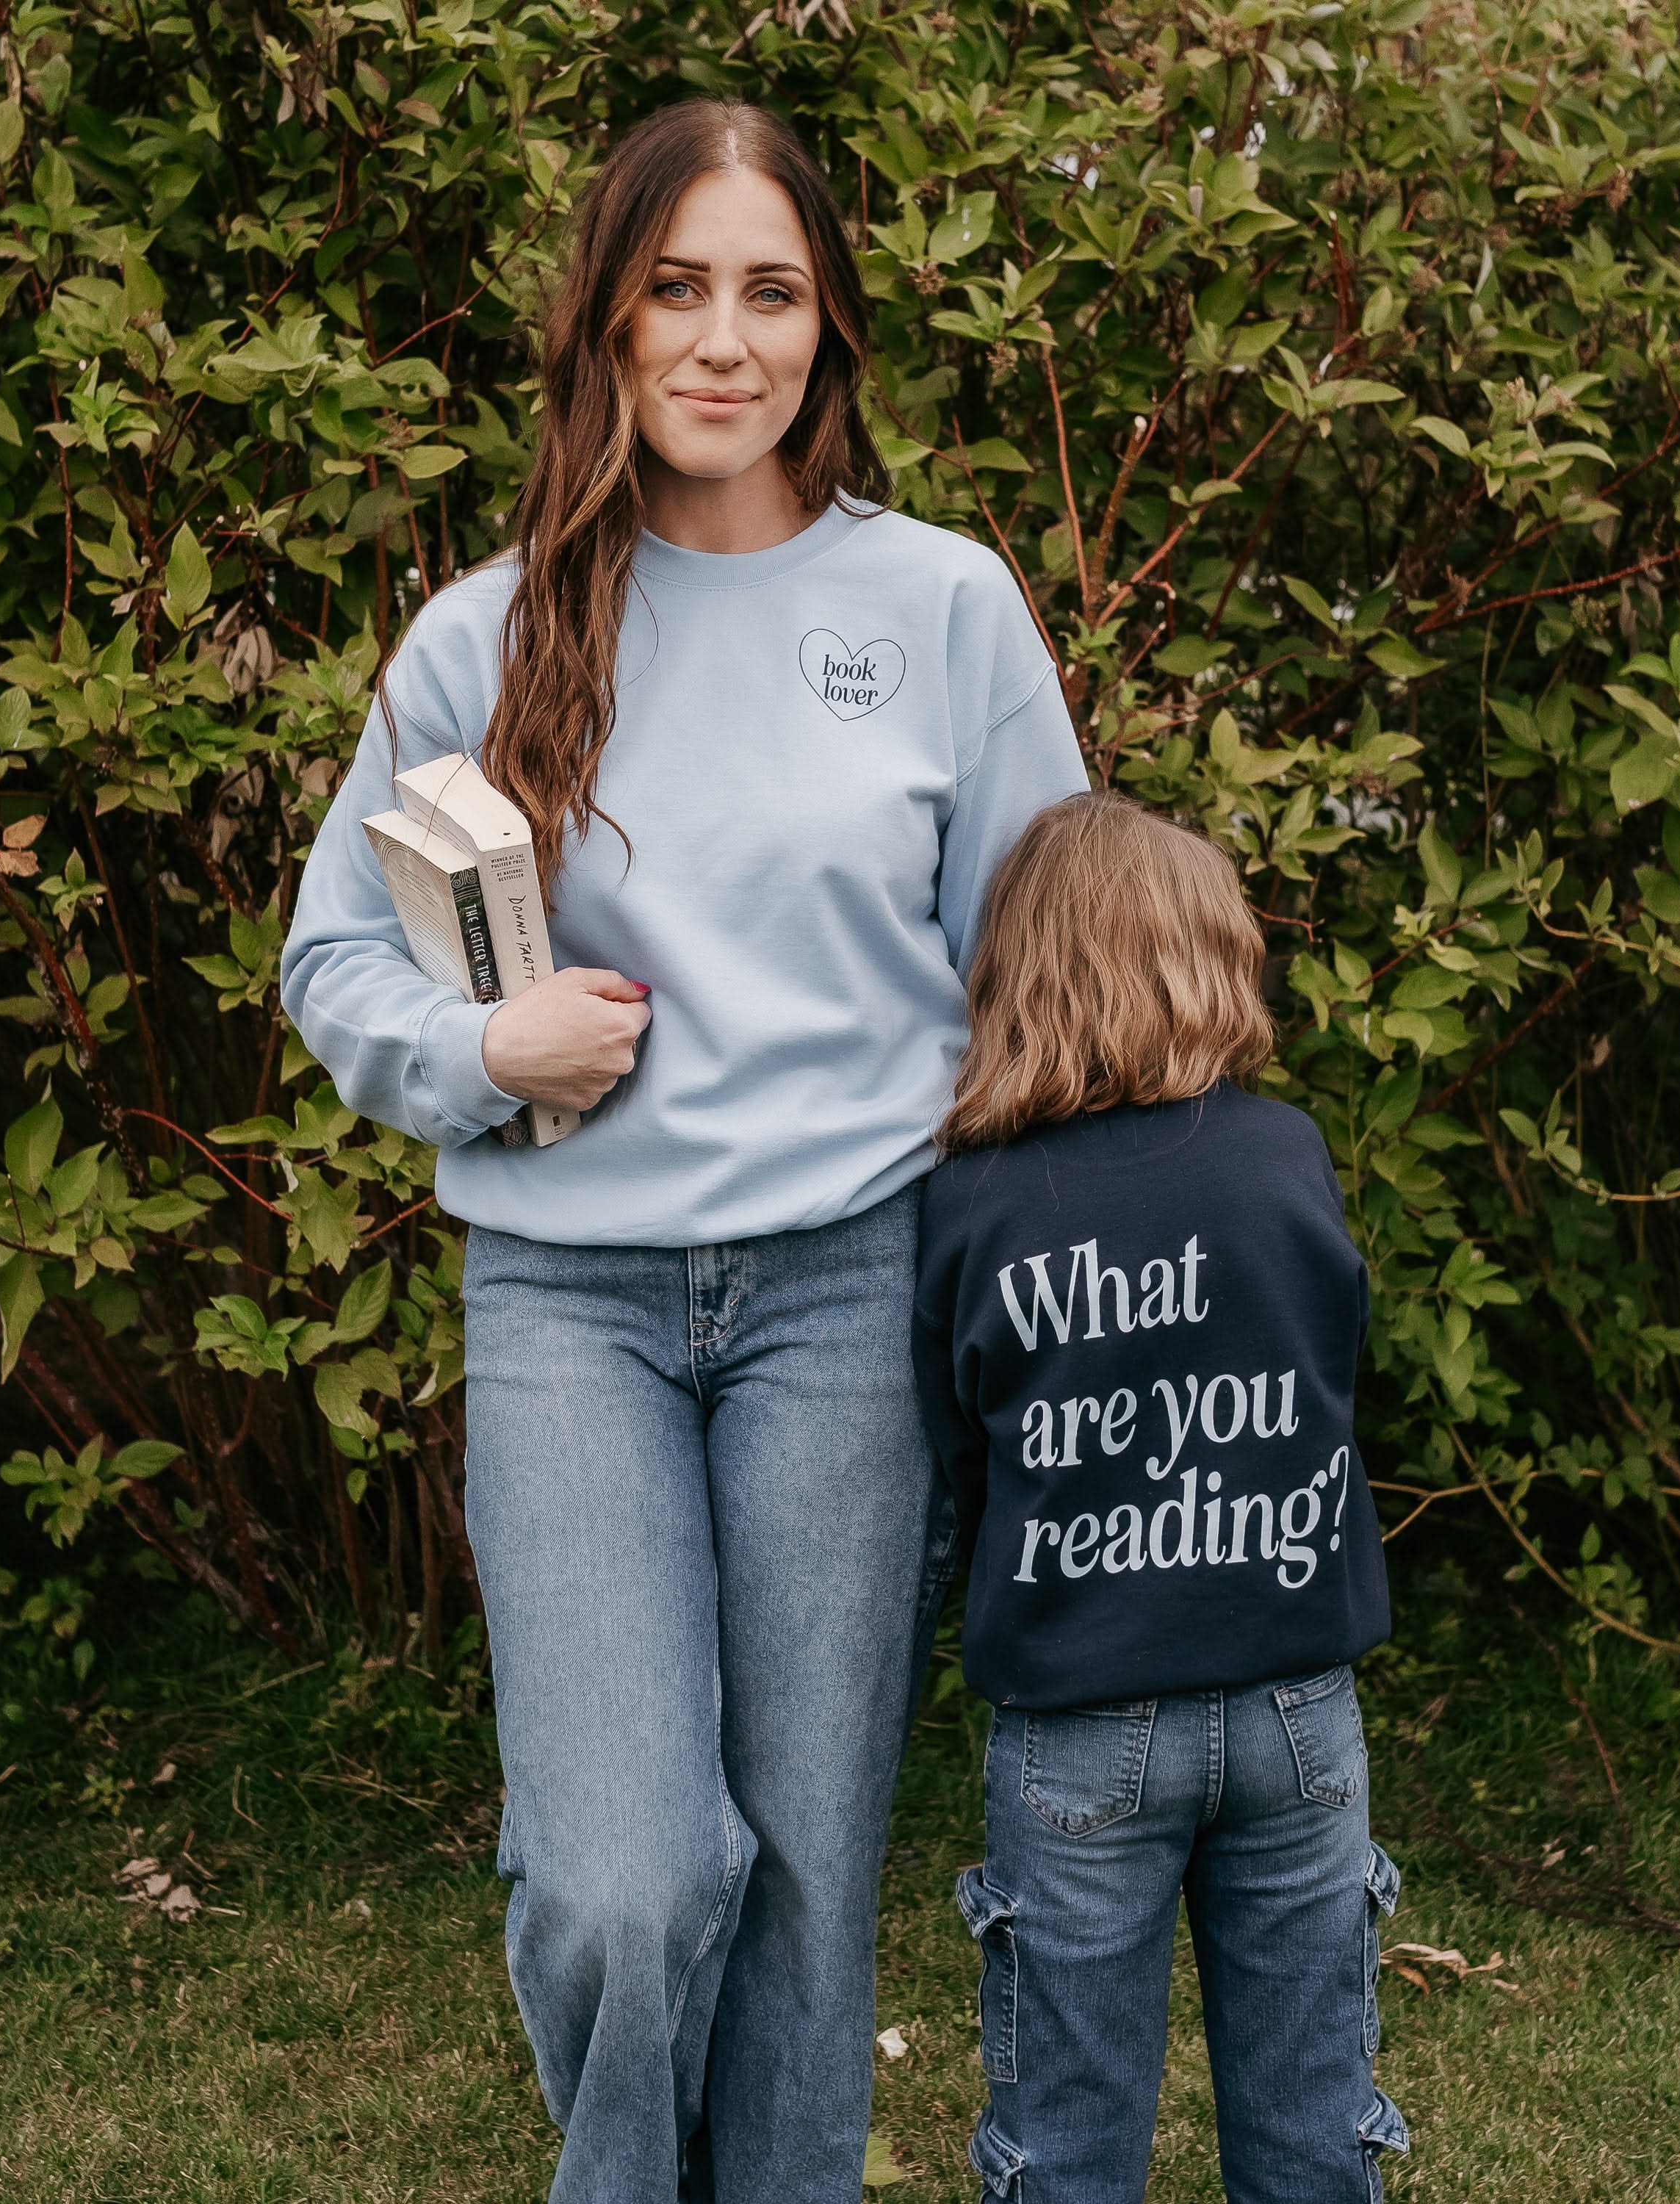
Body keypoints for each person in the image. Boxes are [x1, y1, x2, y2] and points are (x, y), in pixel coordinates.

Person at [280, 98, 1087, 2203]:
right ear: (609, 321)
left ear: (828, 326)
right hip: (571, 1302)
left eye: (774, 291)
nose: (726, 340)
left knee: (809, 1891)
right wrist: (484, 1044)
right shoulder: (486, 636)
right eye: (680, 288)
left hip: (851, 1289)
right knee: (627, 1880)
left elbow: (1050, 965)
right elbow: (330, 966)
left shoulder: (942, 609)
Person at [910, 793, 1407, 2204]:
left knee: (1067, 2140)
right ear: (1211, 955)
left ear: (1017, 977)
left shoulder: (974, 1204)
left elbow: (964, 1453)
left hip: (1078, 1728)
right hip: (1299, 1712)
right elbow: (1328, 1365)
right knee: (1315, 2125)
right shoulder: (1283, 1155)